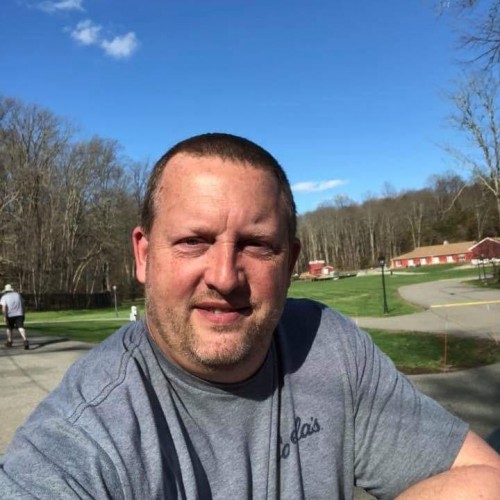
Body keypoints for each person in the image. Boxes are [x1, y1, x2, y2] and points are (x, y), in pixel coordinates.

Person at [0, 133, 499, 499]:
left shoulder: (327, 345)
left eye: (257, 245)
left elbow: (480, 477)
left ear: (291, 263)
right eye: (193, 241)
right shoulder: (81, 436)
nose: (224, 276)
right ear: (144, 255)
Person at [0, 283, 29, 350]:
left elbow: (4, 308)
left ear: (6, 291)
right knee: (20, 327)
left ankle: (10, 341)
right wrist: (23, 312)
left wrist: (4, 317)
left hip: (10, 315)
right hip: (19, 314)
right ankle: (25, 340)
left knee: (9, 328)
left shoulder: (4, 297)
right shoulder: (18, 295)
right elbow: (23, 304)